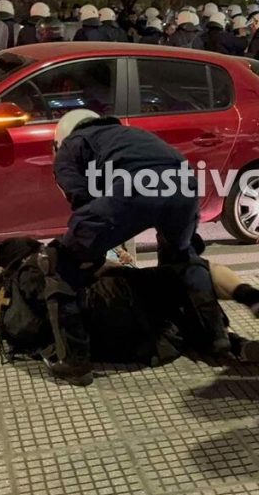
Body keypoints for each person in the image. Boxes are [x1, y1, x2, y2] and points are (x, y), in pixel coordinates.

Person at [44, 109, 231, 385]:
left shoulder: (71, 146)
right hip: (184, 183)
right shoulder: (129, 134)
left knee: (61, 266)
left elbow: (82, 200)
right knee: (181, 258)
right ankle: (215, 337)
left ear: (60, 138)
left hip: (135, 188)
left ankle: (75, 363)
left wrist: (87, 254)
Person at [0, 236, 259, 372]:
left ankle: (234, 343)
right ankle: (243, 312)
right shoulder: (47, 259)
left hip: (112, 336)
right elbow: (101, 270)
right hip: (118, 301)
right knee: (191, 274)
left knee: (173, 306)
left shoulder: (22, 284)